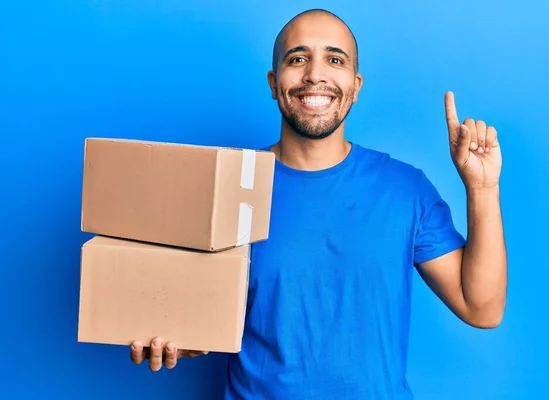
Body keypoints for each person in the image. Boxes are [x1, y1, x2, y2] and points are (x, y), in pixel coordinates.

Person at [130, 8, 507, 399]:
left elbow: (482, 308)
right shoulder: (228, 187)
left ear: (356, 85)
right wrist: (168, 334)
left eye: (334, 59)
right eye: (297, 58)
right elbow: (191, 319)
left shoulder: (405, 189)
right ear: (274, 83)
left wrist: (482, 189)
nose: (315, 74)